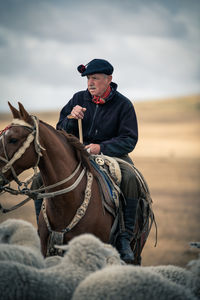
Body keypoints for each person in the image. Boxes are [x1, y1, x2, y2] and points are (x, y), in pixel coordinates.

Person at [56, 58, 139, 264]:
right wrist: (70, 119)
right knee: (41, 178)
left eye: (95, 78)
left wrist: (101, 148)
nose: (90, 83)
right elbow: (60, 130)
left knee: (130, 177)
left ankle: (125, 237)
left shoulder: (123, 104)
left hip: (113, 156)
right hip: (80, 155)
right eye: (88, 79)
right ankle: (48, 233)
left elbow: (129, 139)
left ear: (108, 79)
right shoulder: (78, 98)